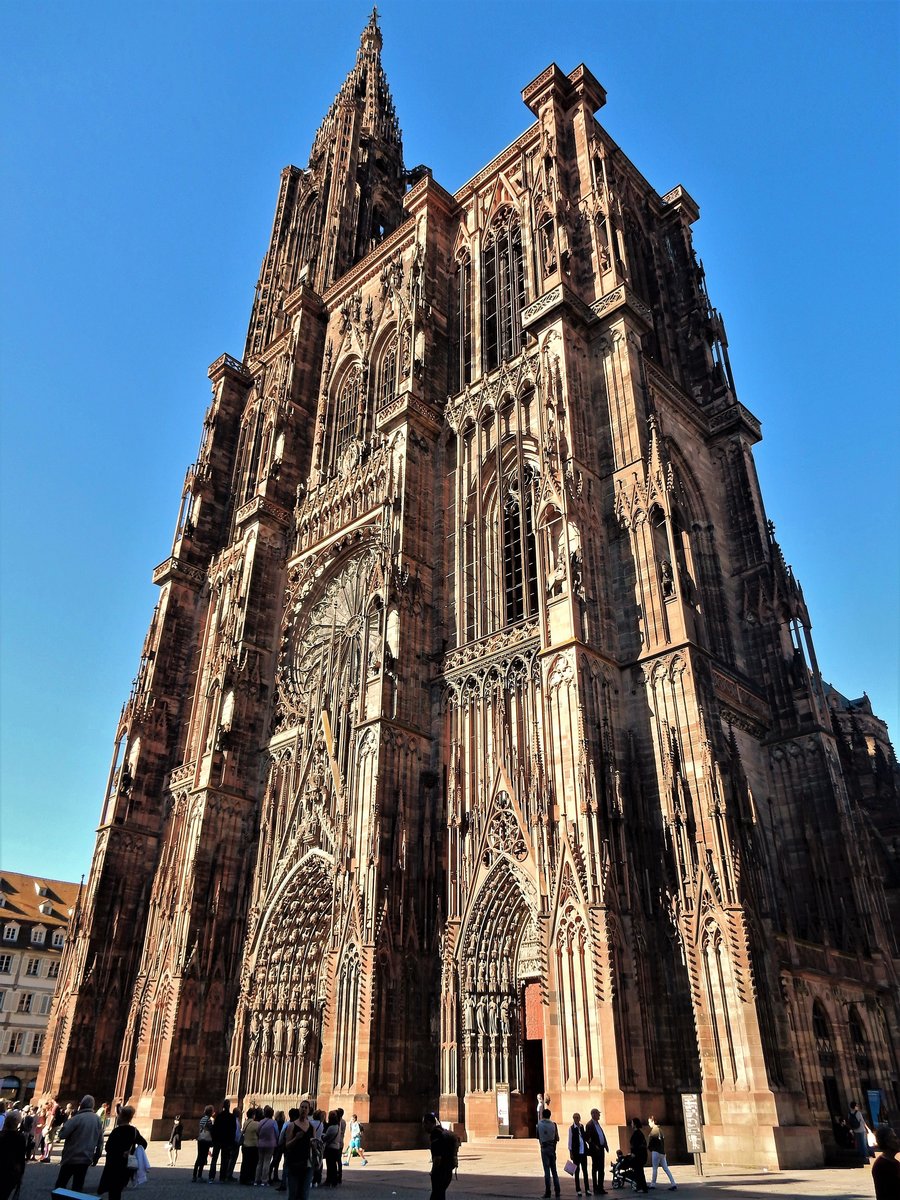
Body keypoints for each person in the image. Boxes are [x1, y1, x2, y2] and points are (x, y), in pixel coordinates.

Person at [55, 1094, 104, 1192]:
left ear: (81, 1105)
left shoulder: (76, 1118)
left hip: (71, 1157)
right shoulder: (97, 1120)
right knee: (78, 1186)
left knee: (60, 1185)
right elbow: (100, 1141)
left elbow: (62, 1134)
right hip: (86, 1158)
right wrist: (97, 1155)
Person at [97, 1105, 147, 1200]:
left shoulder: (116, 1131)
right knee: (118, 1189)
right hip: (126, 1166)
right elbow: (144, 1144)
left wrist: (119, 1152)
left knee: (113, 1192)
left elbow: (108, 1148)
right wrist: (132, 1153)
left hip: (114, 1165)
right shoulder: (134, 1131)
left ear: (122, 1116)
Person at [283, 1103, 314, 1200]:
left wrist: (315, 1145)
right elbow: (287, 1145)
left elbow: (314, 1143)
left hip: (307, 1164)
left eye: (306, 1108)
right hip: (294, 1163)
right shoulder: (292, 1125)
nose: (304, 1109)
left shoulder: (312, 1127)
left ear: (308, 1110)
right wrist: (296, 1138)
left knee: (304, 1195)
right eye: (302, 1107)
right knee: (293, 1195)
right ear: (299, 1109)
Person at [423, 1113, 457, 1200]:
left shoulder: (435, 1135)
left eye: (425, 1124)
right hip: (448, 1170)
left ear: (430, 1123)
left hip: (440, 1172)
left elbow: (437, 1157)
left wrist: (433, 1171)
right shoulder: (444, 1132)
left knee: (436, 1195)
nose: (423, 1126)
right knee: (440, 1195)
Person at [0, 1110, 27, 1200]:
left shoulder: (1, 1135)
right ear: (17, 1123)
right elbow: (21, 1158)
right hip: (10, 1173)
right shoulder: (20, 1138)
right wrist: (20, 1174)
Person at [211, 1100, 238, 1182]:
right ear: (229, 1106)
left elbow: (214, 1129)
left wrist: (214, 1139)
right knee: (224, 1159)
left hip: (218, 1140)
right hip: (226, 1141)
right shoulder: (231, 1117)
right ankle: (222, 1177)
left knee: (214, 1159)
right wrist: (232, 1142)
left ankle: (211, 1176)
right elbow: (233, 1130)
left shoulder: (219, 1116)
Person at [537, 1106, 561, 1199]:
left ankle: (548, 1192)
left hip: (544, 1148)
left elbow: (538, 1136)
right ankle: (557, 1191)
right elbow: (557, 1138)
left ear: (543, 1115)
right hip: (552, 1148)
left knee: (547, 1171)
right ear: (550, 1115)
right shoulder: (554, 1124)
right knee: (554, 1171)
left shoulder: (539, 1124)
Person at [646, 1117, 676, 1191]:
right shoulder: (660, 1130)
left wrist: (649, 1148)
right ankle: (673, 1183)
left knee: (655, 1168)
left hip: (656, 1151)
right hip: (662, 1152)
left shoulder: (653, 1131)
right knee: (666, 1168)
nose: (649, 1124)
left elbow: (650, 1142)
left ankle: (653, 1184)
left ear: (653, 1122)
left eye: (649, 1122)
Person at [584, 1109, 609, 1196]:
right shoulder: (589, 1125)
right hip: (595, 1150)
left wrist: (605, 1145)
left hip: (601, 1149)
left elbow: (602, 1135)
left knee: (601, 1169)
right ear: (593, 1114)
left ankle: (600, 1187)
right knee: (595, 1169)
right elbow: (588, 1138)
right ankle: (595, 1188)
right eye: (598, 1114)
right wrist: (595, 1146)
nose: (599, 1115)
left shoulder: (598, 1124)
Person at [872, 1124, 900, 1200]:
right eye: (894, 1138)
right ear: (887, 1142)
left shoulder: (894, 1162)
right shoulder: (882, 1165)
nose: (897, 1141)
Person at [568, 1113, 590, 1196]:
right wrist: (571, 1153)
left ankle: (587, 1189)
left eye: (577, 1117)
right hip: (576, 1153)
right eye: (575, 1118)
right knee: (577, 1172)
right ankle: (578, 1189)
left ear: (579, 1118)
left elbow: (584, 1137)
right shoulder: (571, 1128)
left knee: (585, 1171)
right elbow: (570, 1141)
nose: (576, 1119)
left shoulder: (581, 1127)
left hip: (583, 1152)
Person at [257, 1105, 279, 1186]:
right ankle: (264, 1180)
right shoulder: (273, 1122)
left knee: (260, 1162)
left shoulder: (261, 1122)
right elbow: (277, 1133)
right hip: (270, 1144)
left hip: (261, 1143)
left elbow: (258, 1131)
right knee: (266, 1162)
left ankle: (257, 1179)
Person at [194, 1105, 215, 1182]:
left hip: (200, 1139)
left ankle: (194, 1175)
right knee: (203, 1157)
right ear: (210, 1112)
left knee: (199, 1157)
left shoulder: (202, 1119)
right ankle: (199, 1176)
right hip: (206, 1140)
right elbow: (211, 1129)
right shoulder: (209, 1120)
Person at [628, 1119, 649, 1194]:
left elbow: (636, 1146)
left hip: (638, 1156)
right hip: (640, 1156)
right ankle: (641, 1187)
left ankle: (642, 1187)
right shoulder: (639, 1133)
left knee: (639, 1172)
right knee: (639, 1172)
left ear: (635, 1124)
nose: (631, 1124)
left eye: (632, 1123)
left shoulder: (637, 1134)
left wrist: (633, 1153)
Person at [240, 1108, 260, 1185]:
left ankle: (243, 1178)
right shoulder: (256, 1124)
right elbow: (259, 1133)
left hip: (245, 1145)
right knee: (252, 1163)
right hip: (253, 1145)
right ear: (253, 1115)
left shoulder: (245, 1122)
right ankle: (250, 1178)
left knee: (245, 1162)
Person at [322, 1112, 341, 1188]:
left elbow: (326, 1137)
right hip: (336, 1147)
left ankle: (329, 1180)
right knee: (334, 1165)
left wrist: (322, 1136)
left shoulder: (331, 1127)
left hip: (330, 1148)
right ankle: (334, 1180)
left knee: (330, 1165)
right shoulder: (338, 1127)